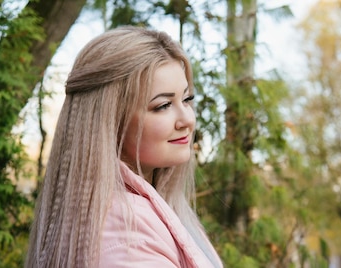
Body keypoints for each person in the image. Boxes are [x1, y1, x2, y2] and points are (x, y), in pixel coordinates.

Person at [25, 26, 223, 268]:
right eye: (163, 105)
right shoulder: (126, 237)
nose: (188, 120)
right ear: (111, 120)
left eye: (186, 99)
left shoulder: (140, 213)